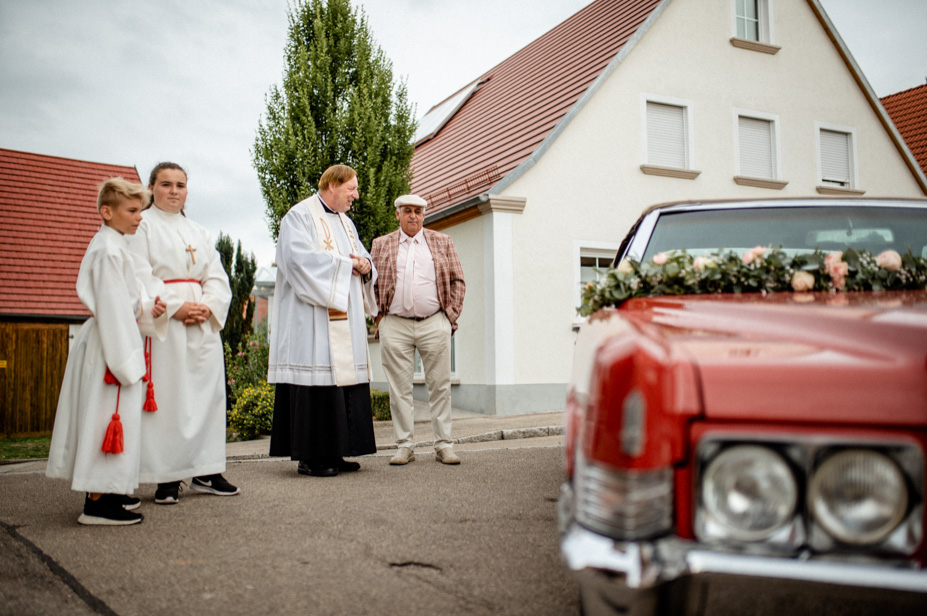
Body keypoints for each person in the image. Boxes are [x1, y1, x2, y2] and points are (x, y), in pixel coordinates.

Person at [46, 178, 167, 525]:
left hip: (113, 336)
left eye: (140, 210)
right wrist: (127, 362)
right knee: (106, 418)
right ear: (107, 211)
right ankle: (97, 502)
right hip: (111, 345)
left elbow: (124, 301)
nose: (139, 217)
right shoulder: (108, 250)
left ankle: (112, 489)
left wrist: (145, 307)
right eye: (132, 210)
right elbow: (113, 307)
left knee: (117, 419)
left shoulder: (114, 247)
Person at [127, 162, 239, 504]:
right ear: (151, 188)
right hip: (167, 324)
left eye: (180, 185)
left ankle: (206, 470)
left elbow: (217, 275)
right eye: (166, 184)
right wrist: (177, 306)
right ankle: (168, 476)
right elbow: (140, 274)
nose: (174, 190)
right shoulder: (141, 226)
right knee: (172, 399)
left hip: (203, 323)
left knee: (206, 396)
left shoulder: (199, 232)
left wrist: (209, 304)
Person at [267, 164, 378, 477]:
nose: (356, 195)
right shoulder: (299, 216)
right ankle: (311, 457)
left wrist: (366, 267)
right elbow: (295, 261)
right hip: (312, 319)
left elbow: (362, 257)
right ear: (332, 184)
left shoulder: (346, 222)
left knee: (340, 382)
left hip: (344, 318)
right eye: (351, 189)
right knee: (317, 383)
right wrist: (346, 266)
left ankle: (337, 452)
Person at [370, 194, 466, 465]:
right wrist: (379, 318)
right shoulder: (381, 244)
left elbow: (458, 280)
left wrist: (449, 317)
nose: (413, 215)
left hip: (434, 322)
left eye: (418, 212)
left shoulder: (442, 242)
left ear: (424, 216)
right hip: (395, 323)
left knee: (440, 386)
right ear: (397, 214)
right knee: (399, 389)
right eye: (407, 211)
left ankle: (444, 445)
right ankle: (404, 446)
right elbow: (370, 285)